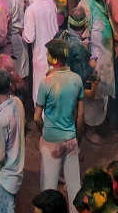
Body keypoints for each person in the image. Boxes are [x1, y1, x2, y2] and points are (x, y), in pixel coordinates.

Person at [36, 37, 84, 202]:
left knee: (49, 188)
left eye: (48, 54)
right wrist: (77, 136)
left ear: (54, 59)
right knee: (74, 186)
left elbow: (36, 117)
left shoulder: (46, 82)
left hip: (51, 139)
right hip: (70, 139)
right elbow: (80, 116)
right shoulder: (77, 80)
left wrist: (43, 131)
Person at [0, 66, 25, 213]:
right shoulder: (18, 103)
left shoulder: (1, 118)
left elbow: (0, 154)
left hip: (5, 177)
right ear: (9, 86)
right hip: (17, 173)